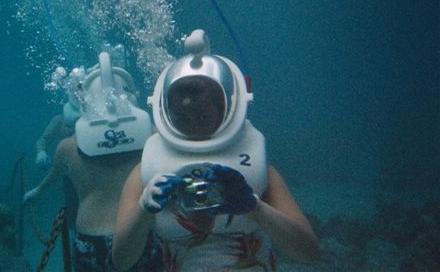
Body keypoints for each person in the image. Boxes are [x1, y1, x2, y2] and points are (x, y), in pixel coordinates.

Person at [112, 30, 320, 271]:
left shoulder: (257, 167)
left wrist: (255, 207)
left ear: (227, 108)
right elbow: (121, 260)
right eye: (182, 117)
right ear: (166, 113)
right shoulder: (145, 173)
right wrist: (144, 210)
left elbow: (309, 252)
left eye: (202, 116)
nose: (193, 125)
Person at [24, 51, 161, 271]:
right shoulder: (152, 135)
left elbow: (54, 174)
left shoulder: (67, 148)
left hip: (89, 238)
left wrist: (37, 191)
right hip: (138, 234)